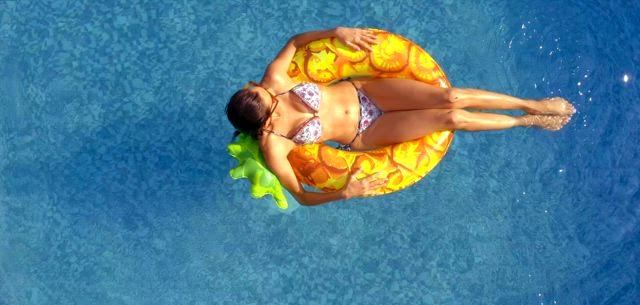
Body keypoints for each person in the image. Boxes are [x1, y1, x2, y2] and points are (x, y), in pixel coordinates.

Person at [225, 27, 576, 206]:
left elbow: (295, 42)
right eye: (265, 99)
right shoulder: (275, 146)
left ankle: (531, 104)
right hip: (367, 131)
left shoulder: (274, 81)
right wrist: (345, 193)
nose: (266, 90)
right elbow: (301, 196)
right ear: (265, 122)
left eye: (259, 90)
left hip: (365, 91)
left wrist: (337, 33)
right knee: (450, 119)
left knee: (449, 96)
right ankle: (523, 122)